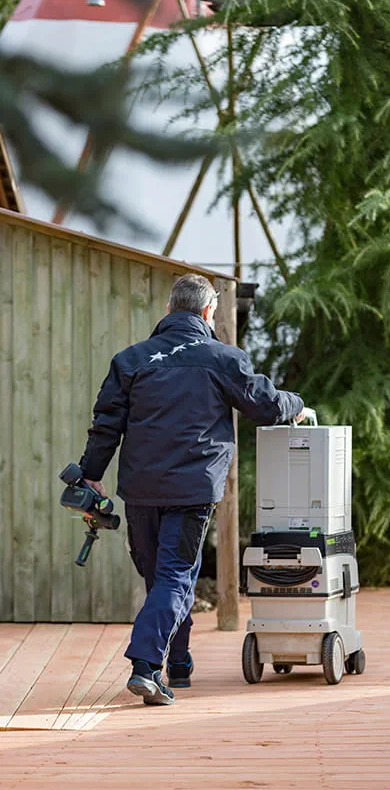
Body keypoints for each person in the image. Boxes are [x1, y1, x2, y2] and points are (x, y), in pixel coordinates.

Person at [79, 273, 304, 705]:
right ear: (207, 312)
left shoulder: (131, 359)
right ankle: (147, 667)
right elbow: (268, 405)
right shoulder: (222, 358)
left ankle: (176, 664)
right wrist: (297, 404)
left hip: (141, 490)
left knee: (161, 579)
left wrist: (91, 473)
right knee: (172, 578)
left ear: (168, 311)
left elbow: (106, 424)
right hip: (191, 490)